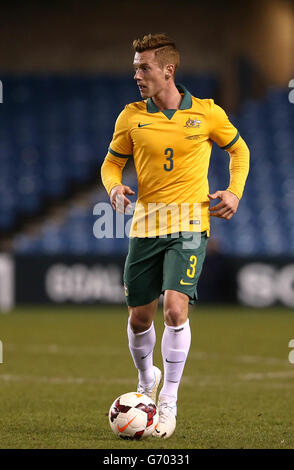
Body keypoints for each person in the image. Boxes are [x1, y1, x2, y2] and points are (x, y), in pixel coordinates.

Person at [101, 33, 249, 439]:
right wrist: (113, 188)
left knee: (174, 309)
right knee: (139, 317)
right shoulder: (130, 116)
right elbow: (111, 165)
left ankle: (168, 399)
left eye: (143, 67)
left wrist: (234, 191)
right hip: (146, 227)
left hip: (189, 225)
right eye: (135, 67)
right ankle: (146, 378)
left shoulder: (206, 114)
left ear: (168, 70)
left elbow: (239, 151)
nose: (136, 74)